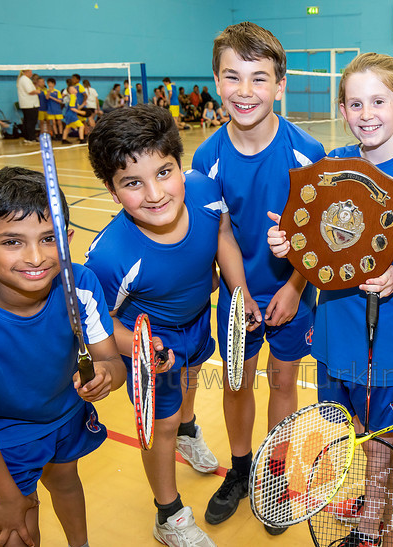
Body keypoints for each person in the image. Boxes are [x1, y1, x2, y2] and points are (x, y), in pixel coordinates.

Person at [266, 52, 393, 546]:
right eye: (354, 103)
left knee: (381, 437)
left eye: (378, 101)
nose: (367, 113)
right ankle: (362, 499)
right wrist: (287, 247)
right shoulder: (331, 168)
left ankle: (370, 528)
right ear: (342, 111)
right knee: (341, 427)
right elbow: (308, 244)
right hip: (333, 328)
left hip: (387, 334)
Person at [0, 166, 126, 547]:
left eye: (49, 238)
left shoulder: (80, 285)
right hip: (4, 440)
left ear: (67, 240)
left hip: (66, 417)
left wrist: (105, 377)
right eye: (12, 242)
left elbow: (112, 363)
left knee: (65, 482)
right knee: (17, 531)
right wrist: (7, 497)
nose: (35, 257)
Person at [85, 104, 250, 546]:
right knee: (160, 422)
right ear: (112, 189)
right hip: (150, 343)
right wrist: (141, 348)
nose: (155, 193)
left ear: (181, 165)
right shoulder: (110, 257)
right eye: (132, 183)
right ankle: (168, 514)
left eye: (164, 172)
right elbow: (93, 322)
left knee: (192, 380)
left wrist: (241, 292)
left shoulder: (205, 191)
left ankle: (189, 431)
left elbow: (223, 238)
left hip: (196, 319)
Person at [191, 21, 325, 534]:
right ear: (217, 82)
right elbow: (222, 233)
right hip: (237, 297)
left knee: (285, 382)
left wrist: (294, 285)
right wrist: (240, 293)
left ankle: (274, 474)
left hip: (293, 292)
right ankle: (242, 468)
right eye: (232, 77)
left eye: (258, 78)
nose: (244, 91)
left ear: (279, 84)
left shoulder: (307, 153)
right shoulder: (208, 158)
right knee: (236, 382)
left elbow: (316, 240)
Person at [16, 69, 39, 144]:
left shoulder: (24, 79)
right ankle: (31, 138)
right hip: (30, 104)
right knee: (31, 121)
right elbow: (30, 91)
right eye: (30, 71)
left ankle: (27, 137)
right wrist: (38, 91)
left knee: (27, 121)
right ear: (26, 72)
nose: (31, 73)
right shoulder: (25, 80)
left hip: (27, 104)